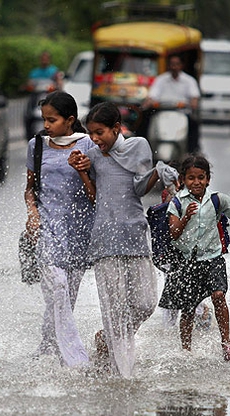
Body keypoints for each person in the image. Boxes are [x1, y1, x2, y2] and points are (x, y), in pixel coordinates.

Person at [67, 101, 179, 377]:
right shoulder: (91, 154)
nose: (94, 138)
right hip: (105, 239)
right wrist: (82, 170)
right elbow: (93, 195)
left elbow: (140, 187)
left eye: (100, 132)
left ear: (116, 128)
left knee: (145, 303)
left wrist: (159, 172)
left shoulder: (137, 146)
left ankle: (106, 339)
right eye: (91, 133)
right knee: (115, 310)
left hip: (135, 235)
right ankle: (123, 376)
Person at [159, 155, 230, 360]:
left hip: (213, 259)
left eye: (201, 177)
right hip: (188, 261)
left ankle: (226, 344)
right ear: (184, 180)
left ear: (208, 179)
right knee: (188, 307)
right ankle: (186, 350)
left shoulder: (217, 199)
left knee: (219, 296)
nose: (196, 182)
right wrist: (186, 217)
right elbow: (173, 233)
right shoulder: (177, 202)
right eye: (191, 178)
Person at [24, 91, 96, 368]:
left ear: (70, 121)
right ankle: (73, 355)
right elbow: (30, 190)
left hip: (79, 232)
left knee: (66, 298)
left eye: (52, 120)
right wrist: (32, 214)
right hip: (46, 228)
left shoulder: (89, 145)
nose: (46, 125)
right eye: (44, 119)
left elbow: (97, 194)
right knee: (58, 286)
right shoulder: (37, 146)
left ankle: (48, 348)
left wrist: (84, 170)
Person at [145, 55, 201, 153]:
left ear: (181, 65)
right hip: (161, 111)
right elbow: (152, 95)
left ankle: (192, 152)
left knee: (194, 124)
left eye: (177, 64)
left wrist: (193, 103)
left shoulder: (189, 81)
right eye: (172, 64)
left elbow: (194, 97)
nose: (174, 67)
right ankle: (146, 150)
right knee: (145, 121)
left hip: (182, 112)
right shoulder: (161, 80)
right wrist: (148, 103)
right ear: (168, 66)